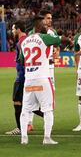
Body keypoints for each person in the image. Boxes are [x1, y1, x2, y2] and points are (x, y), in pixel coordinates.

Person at [19, 16, 63, 145]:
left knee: (25, 110)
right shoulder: (43, 37)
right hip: (43, 78)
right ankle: (47, 138)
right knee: (48, 109)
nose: (47, 26)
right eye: (44, 24)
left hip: (29, 79)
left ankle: (24, 138)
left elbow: (22, 61)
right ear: (39, 25)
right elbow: (58, 41)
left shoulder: (25, 41)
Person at [27, 9, 58, 131]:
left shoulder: (52, 32)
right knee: (33, 95)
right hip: (38, 68)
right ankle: (29, 122)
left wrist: (56, 53)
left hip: (50, 67)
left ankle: (48, 118)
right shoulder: (32, 33)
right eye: (48, 18)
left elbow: (56, 46)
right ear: (42, 20)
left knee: (50, 94)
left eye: (51, 18)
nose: (50, 20)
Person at [5, 21, 27, 135]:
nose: (12, 31)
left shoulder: (21, 43)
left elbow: (24, 61)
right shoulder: (26, 40)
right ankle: (48, 117)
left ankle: (20, 128)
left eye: (13, 29)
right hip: (25, 76)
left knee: (18, 102)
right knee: (26, 103)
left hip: (22, 77)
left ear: (18, 29)